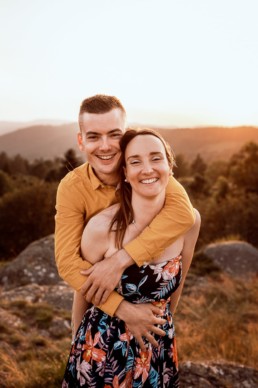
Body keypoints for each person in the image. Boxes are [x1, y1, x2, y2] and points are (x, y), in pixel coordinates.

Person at [62, 128, 201, 387]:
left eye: (156, 158)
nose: (147, 169)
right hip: (101, 351)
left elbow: (177, 287)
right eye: (135, 161)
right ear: (125, 174)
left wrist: (163, 330)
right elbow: (82, 290)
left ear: (170, 167)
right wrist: (78, 345)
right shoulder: (101, 228)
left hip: (157, 346)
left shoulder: (189, 222)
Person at [55, 94, 195, 348]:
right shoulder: (72, 187)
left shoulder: (144, 172)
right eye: (94, 136)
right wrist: (121, 308)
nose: (105, 146)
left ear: (126, 134)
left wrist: (121, 260)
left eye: (114, 134)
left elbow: (185, 214)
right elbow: (67, 262)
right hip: (98, 308)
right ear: (81, 141)